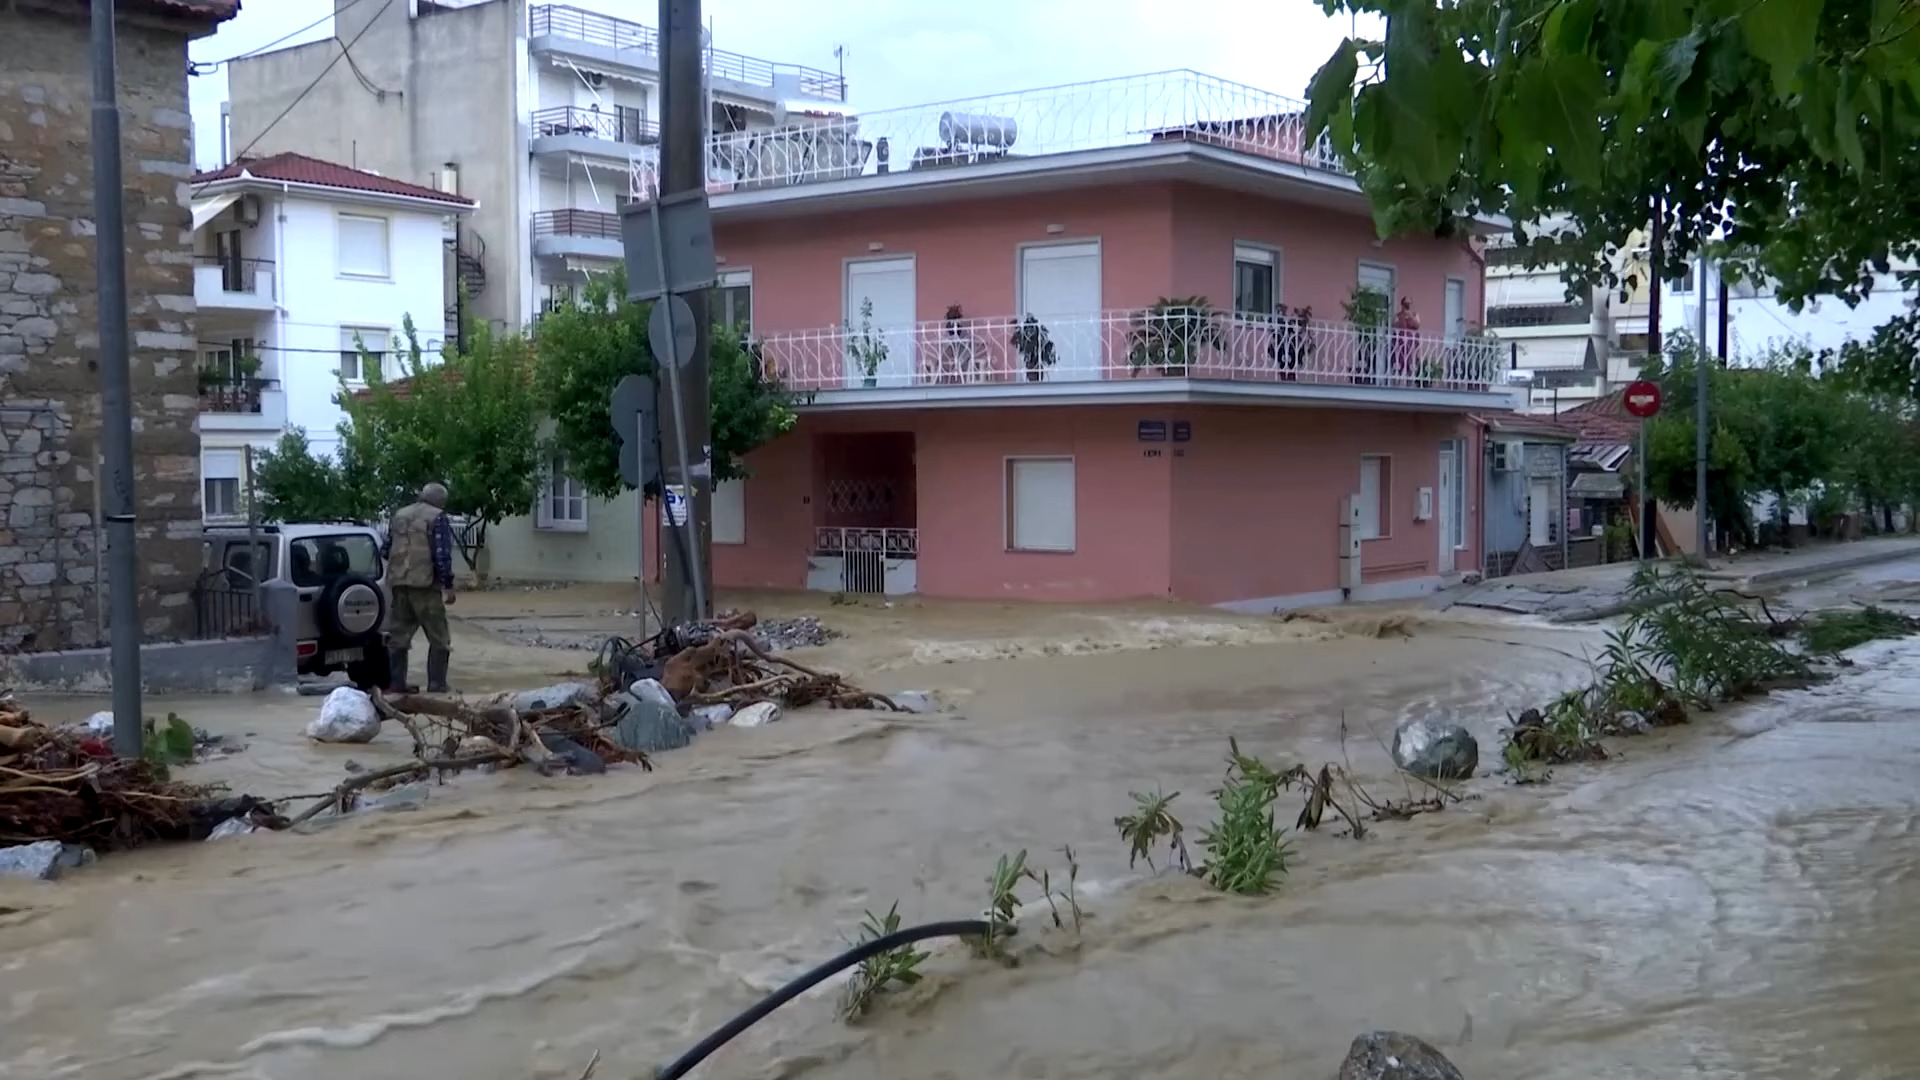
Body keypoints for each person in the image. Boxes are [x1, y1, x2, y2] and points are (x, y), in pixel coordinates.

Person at [383, 482, 457, 693]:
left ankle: (396, 684)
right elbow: (441, 555)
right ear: (439, 500)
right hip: (425, 585)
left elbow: (386, 548)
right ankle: (436, 683)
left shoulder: (400, 515)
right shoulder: (437, 517)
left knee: (398, 636)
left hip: (399, 583)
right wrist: (448, 585)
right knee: (439, 636)